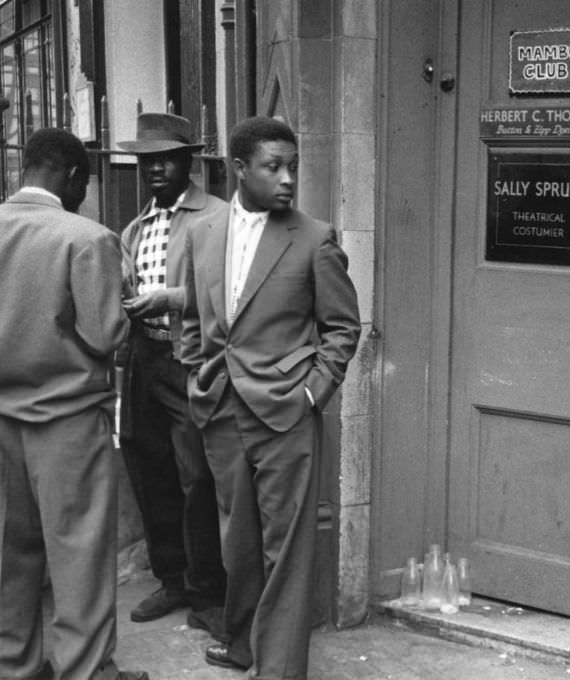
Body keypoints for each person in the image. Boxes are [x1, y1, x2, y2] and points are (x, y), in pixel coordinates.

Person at [180, 116, 361, 677]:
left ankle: (281, 670)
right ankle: (242, 645)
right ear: (239, 169)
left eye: (292, 168)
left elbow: (342, 329)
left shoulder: (314, 237)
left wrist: (312, 394)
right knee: (238, 545)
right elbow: (195, 319)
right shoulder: (202, 233)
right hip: (222, 411)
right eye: (272, 167)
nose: (287, 179)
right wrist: (197, 376)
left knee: (286, 552)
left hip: (286, 412)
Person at [0, 128, 148, 680]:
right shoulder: (86, 238)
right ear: (72, 177)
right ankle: (84, 671)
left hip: (2, 419)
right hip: (65, 419)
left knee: (10, 554)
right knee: (78, 553)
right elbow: (106, 334)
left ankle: (14, 665)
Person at [117, 112, 229, 636]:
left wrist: (171, 299)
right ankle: (173, 579)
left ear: (189, 160)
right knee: (148, 466)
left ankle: (208, 591)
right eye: (146, 160)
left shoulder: (218, 217)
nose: (155, 168)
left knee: (196, 477)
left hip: (189, 359)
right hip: (144, 357)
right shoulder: (135, 226)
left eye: (166, 158)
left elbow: (231, 293)